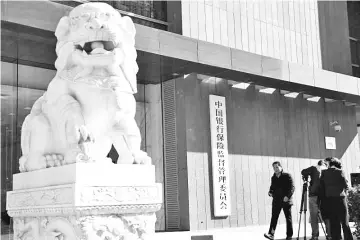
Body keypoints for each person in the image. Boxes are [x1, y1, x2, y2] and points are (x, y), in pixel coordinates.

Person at [319, 158, 353, 240]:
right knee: (345, 222)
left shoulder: (323, 173)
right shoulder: (340, 171)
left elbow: (321, 187)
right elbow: (346, 185)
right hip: (340, 199)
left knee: (334, 223)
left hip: (329, 200)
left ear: (329, 164)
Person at [264, 161, 295, 240]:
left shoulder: (287, 176)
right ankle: (271, 234)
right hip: (276, 201)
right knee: (274, 217)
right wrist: (270, 192)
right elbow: (272, 188)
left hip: (286, 201)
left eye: (277, 167)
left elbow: (292, 188)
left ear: (281, 167)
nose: (276, 169)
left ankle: (289, 236)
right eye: (274, 168)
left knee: (288, 218)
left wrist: (287, 197)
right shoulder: (273, 177)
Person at [301, 160, 328, 240]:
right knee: (327, 216)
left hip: (314, 195)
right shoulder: (327, 170)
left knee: (313, 216)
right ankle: (329, 235)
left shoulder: (313, 168)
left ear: (318, 164)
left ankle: (315, 236)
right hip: (325, 196)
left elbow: (303, 171)